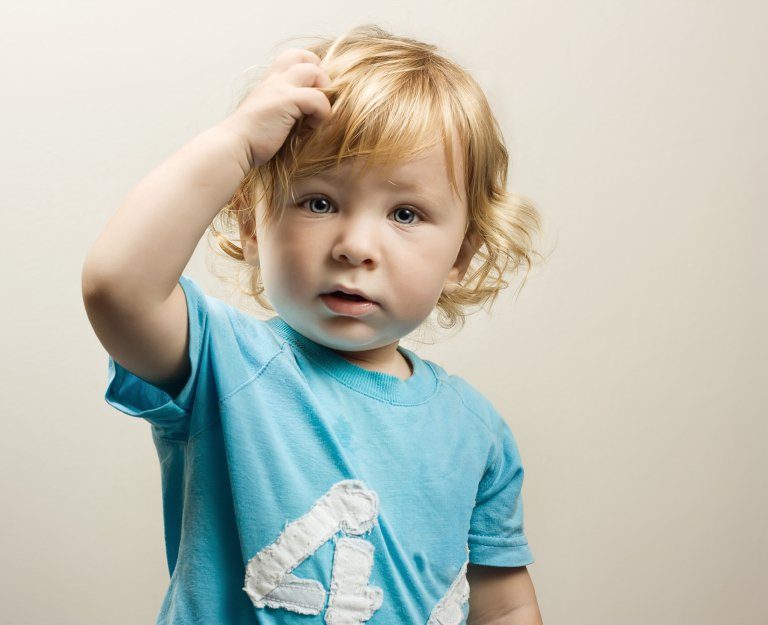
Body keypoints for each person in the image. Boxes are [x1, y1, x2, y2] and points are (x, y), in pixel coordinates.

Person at [82, 24, 545, 625]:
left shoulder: (477, 432)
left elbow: (504, 605)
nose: (356, 246)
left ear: (461, 255)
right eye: (319, 202)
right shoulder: (223, 363)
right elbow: (118, 288)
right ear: (251, 225)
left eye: (406, 213)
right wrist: (236, 145)